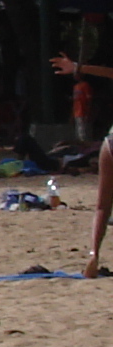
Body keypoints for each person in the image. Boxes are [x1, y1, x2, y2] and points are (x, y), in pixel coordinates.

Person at [52, 50, 113, 274]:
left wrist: (77, 67)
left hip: (111, 140)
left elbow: (108, 73)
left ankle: (93, 254)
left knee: (102, 207)